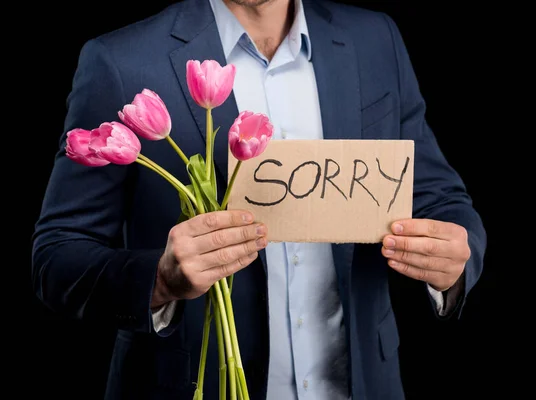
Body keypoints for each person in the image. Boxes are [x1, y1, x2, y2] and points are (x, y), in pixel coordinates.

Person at [31, 0, 486, 399]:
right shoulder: (121, 62)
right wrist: (160, 279)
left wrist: (455, 260)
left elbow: (441, 198)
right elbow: (57, 255)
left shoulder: (375, 39)